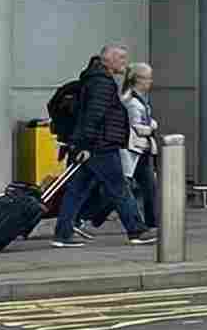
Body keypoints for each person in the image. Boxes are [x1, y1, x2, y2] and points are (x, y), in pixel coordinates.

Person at [53, 44, 151, 248]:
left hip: (92, 145)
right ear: (109, 60)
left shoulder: (94, 79)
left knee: (76, 190)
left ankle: (62, 234)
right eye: (122, 58)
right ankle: (137, 230)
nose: (125, 62)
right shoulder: (102, 83)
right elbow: (93, 116)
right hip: (100, 146)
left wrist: (82, 145)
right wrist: (86, 146)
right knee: (120, 189)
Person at [122, 60, 162, 234]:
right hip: (133, 149)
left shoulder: (140, 100)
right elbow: (136, 127)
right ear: (138, 79)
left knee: (150, 186)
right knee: (124, 189)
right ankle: (92, 215)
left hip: (142, 150)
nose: (150, 82)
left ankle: (153, 222)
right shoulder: (131, 102)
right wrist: (152, 127)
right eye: (147, 78)